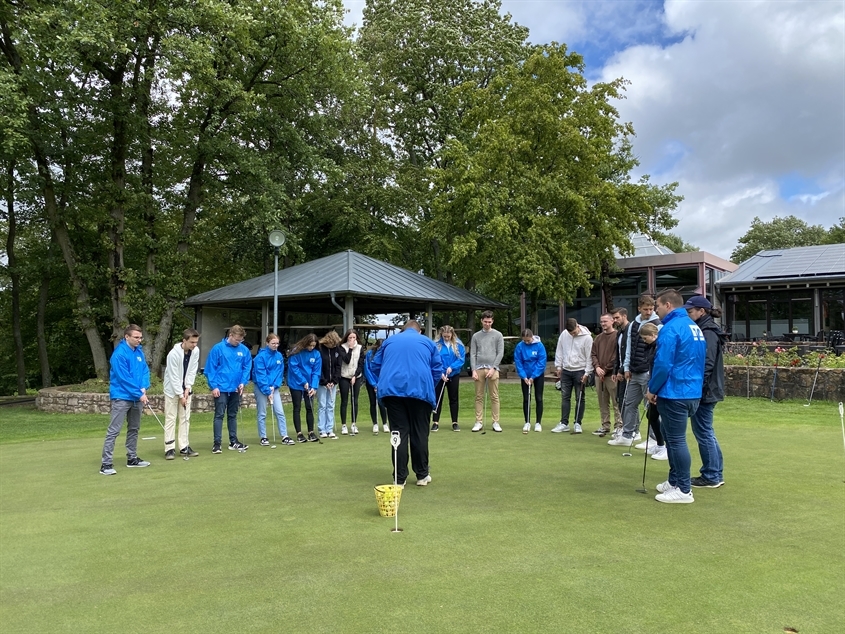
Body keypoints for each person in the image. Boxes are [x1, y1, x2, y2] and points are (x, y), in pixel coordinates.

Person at [646, 290, 706, 504]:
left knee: (676, 440)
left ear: (668, 305)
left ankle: (683, 489)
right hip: (690, 390)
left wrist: (652, 389)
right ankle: (675, 481)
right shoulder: (692, 326)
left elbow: (663, 364)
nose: (656, 310)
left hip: (676, 391)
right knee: (671, 437)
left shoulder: (671, 328)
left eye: (658, 306)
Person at [371, 320, 443, 486]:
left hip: (392, 392)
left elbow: (375, 365)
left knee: (398, 433)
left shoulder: (389, 341)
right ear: (419, 331)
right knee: (420, 432)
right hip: (420, 392)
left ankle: (399, 477)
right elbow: (437, 369)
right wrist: (428, 386)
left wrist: (383, 380)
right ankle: (422, 475)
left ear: (402, 330)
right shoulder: (428, 342)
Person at [607, 295, 660, 447]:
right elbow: (628, 347)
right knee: (629, 403)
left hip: (647, 371)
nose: (649, 312)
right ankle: (628, 435)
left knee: (649, 406)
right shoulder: (633, 324)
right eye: (646, 309)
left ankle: (654, 439)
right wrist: (626, 367)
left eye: (651, 309)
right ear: (639, 308)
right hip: (634, 370)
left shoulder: (658, 323)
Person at [685, 296, 726, 488]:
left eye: (691, 311)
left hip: (706, 390)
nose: (688, 313)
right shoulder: (705, 329)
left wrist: (696, 387)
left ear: (702, 311)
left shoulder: (708, 332)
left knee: (703, 432)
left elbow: (706, 363)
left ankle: (711, 475)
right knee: (706, 431)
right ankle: (714, 473)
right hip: (708, 388)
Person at [100, 324, 151, 475]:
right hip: (122, 396)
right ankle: (106, 464)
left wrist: (144, 387)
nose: (139, 340)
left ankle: (132, 458)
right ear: (127, 337)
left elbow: (145, 371)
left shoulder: (139, 352)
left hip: (136, 396)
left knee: (134, 428)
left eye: (140, 337)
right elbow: (124, 378)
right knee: (114, 430)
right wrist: (139, 393)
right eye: (136, 337)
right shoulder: (119, 354)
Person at [205, 325, 252, 453]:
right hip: (221, 387)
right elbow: (211, 368)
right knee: (219, 414)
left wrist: (243, 382)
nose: (238, 342)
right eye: (237, 340)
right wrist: (213, 386)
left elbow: (247, 366)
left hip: (236, 388)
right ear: (230, 335)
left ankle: (234, 441)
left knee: (233, 415)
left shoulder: (244, 350)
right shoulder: (218, 348)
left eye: (240, 340)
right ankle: (217, 443)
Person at [162, 328, 201, 460]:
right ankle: (169, 448)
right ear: (184, 340)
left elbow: (192, 370)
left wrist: (188, 388)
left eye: (196, 342)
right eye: (192, 342)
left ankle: (184, 447)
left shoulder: (195, 351)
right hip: (171, 390)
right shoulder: (173, 354)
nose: (194, 345)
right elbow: (173, 377)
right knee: (171, 418)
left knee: (185, 418)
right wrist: (180, 395)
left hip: (185, 390)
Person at [551, 318, 593, 434]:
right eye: (571, 333)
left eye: (574, 332)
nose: (573, 334)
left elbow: (589, 356)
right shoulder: (564, 334)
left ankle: (577, 423)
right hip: (566, 370)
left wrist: (587, 373)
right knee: (565, 397)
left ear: (577, 326)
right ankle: (564, 423)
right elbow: (559, 350)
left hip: (580, 370)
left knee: (579, 397)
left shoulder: (587, 337)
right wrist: (558, 366)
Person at [253, 333, 294, 446]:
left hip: (274, 388)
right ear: (267, 343)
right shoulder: (260, 357)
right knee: (262, 413)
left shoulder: (279, 356)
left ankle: (284, 436)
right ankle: (263, 437)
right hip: (261, 387)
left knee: (279, 412)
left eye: (277, 343)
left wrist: (274, 387)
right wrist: (267, 390)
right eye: (273, 343)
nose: (275, 345)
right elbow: (261, 375)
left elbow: (279, 373)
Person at [470, 310, 504, 432]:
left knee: (494, 396)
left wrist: (493, 368)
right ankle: (478, 422)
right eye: (485, 322)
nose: (487, 324)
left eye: (489, 322)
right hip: (479, 368)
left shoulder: (498, 335)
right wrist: (473, 370)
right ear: (481, 321)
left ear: (492, 321)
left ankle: (495, 422)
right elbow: (473, 354)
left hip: (493, 369)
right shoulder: (476, 336)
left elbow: (500, 353)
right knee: (479, 396)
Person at [638, 322, 667, 461]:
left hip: (662, 388)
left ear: (653, 335)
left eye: (645, 338)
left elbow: (661, 369)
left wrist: (654, 389)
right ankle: (660, 445)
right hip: (654, 385)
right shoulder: (650, 347)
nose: (644, 341)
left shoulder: (659, 346)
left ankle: (666, 448)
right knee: (652, 415)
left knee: (664, 418)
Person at [590, 314, 622, 437]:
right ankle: (605, 425)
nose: (603, 324)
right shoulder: (598, 338)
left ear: (612, 321)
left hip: (611, 375)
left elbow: (616, 356)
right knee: (602, 402)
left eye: (605, 321)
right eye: (601, 321)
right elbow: (593, 354)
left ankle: (619, 426)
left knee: (616, 401)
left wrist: (605, 369)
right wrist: (597, 367)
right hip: (599, 375)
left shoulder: (617, 336)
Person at [287, 334, 321, 442]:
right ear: (305, 343)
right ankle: (299, 433)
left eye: (313, 346)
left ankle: (311, 432)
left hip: (310, 384)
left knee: (309, 407)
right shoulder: (296, 352)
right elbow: (294, 368)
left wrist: (314, 387)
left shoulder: (316, 354)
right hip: (296, 383)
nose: (311, 347)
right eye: (310, 345)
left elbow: (316, 372)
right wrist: (303, 381)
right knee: (297, 407)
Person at [431, 325, 465, 433]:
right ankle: (435, 422)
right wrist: (440, 372)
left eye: (448, 336)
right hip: (440, 375)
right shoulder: (436, 344)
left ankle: (455, 422)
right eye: (444, 336)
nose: (446, 338)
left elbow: (461, 359)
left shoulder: (458, 344)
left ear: (452, 334)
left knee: (453, 398)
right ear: (441, 334)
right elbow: (434, 360)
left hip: (453, 374)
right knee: (438, 398)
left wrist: (452, 367)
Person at [514, 328, 547, 434]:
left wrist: (533, 376)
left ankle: (538, 423)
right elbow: (518, 362)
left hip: (537, 375)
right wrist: (524, 377)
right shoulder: (520, 346)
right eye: (525, 340)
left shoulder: (539, 346)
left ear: (532, 337)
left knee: (539, 398)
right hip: (525, 376)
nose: (527, 342)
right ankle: (527, 422)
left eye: (528, 340)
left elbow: (541, 362)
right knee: (526, 399)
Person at [338, 329, 366, 436]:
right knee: (344, 401)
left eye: (354, 337)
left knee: (355, 400)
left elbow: (360, 363)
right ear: (347, 338)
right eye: (350, 338)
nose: (352, 340)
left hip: (356, 377)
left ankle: (354, 424)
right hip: (344, 376)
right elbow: (346, 360)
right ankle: (344, 425)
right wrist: (349, 349)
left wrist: (355, 376)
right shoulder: (342, 347)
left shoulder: (360, 348)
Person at [608, 307, 630, 439]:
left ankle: (631, 430)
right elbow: (618, 353)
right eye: (614, 318)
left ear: (624, 316)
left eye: (617, 318)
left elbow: (629, 353)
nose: (615, 320)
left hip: (628, 372)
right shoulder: (619, 332)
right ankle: (626, 428)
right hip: (620, 370)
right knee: (620, 400)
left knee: (628, 401)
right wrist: (616, 370)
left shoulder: (630, 330)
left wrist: (622, 370)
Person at [317, 330, 343, 438]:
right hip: (322, 383)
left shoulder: (337, 349)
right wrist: (325, 381)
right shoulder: (320, 349)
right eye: (332, 344)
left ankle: (329, 429)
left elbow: (338, 366)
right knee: (322, 405)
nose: (334, 346)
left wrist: (334, 381)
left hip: (333, 383)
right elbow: (319, 367)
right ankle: (321, 429)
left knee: (331, 405)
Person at [364, 339, 389, 435]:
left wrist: (380, 384)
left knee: (382, 403)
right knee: (373, 402)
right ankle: (375, 423)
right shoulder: (370, 354)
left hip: (382, 383)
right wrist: (374, 384)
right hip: (371, 383)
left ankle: (385, 423)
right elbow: (367, 370)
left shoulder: (387, 355)